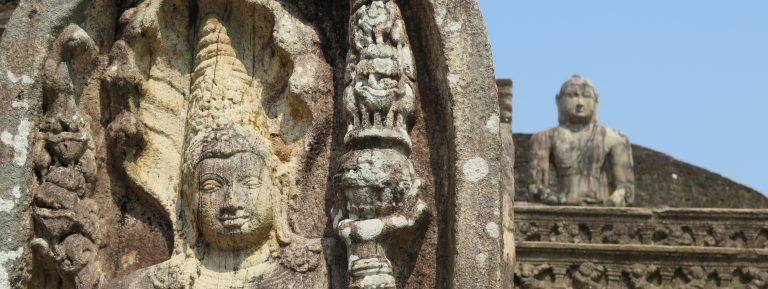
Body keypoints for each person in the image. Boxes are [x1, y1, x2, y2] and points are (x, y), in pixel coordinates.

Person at [529, 75, 635, 207]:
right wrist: (566, 201)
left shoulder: (615, 138)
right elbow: (536, 188)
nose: (580, 103)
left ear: (597, 100)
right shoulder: (544, 138)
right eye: (572, 96)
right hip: (562, 206)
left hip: (600, 208)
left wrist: (610, 202)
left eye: (586, 96)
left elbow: (626, 189)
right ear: (558, 100)